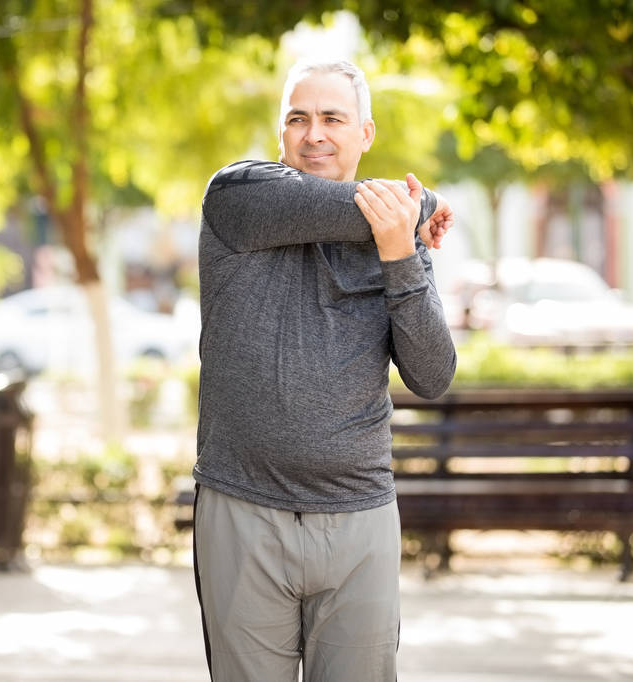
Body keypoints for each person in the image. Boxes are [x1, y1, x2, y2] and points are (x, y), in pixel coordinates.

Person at [192, 59, 457, 681]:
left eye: (333, 119)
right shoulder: (239, 197)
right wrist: (422, 206)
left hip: (359, 519)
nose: (314, 134)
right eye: (298, 118)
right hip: (242, 511)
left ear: (365, 134)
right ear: (280, 131)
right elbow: (375, 209)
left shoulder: (398, 234)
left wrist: (400, 255)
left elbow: (432, 374)